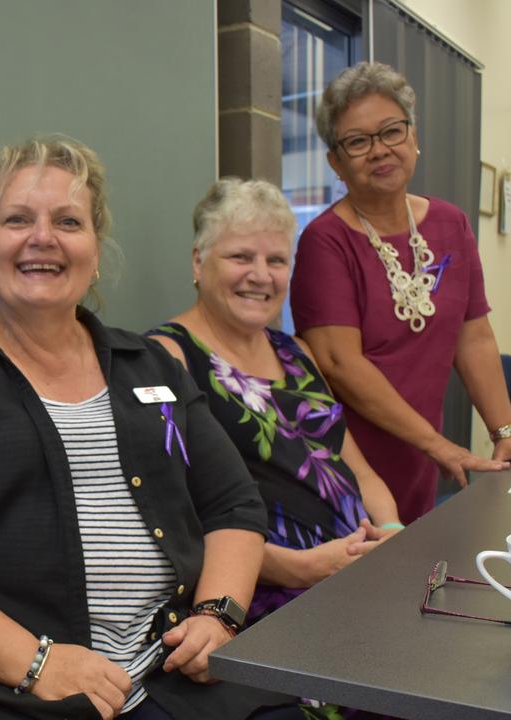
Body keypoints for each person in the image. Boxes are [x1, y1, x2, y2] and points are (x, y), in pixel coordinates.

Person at [0, 138, 293, 720]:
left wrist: (218, 614)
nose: (43, 237)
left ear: (94, 251)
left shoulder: (151, 365)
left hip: (175, 678)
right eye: (17, 219)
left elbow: (234, 505)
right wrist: (38, 663)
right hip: (28, 692)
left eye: (68, 221)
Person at [289, 62, 511, 525]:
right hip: (346, 458)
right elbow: (341, 364)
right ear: (336, 162)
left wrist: (506, 431)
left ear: (413, 137)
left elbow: (472, 335)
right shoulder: (325, 240)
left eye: (391, 132)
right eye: (357, 141)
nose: (379, 150)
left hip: (420, 451)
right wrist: (439, 445)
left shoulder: (451, 224)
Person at [149, 178, 404, 621]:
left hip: (361, 577)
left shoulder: (297, 351)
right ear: (198, 261)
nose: (261, 275)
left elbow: (359, 471)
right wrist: (304, 568)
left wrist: (392, 533)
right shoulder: (166, 357)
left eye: (276, 260)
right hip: (265, 599)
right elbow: (177, 522)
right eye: (240, 257)